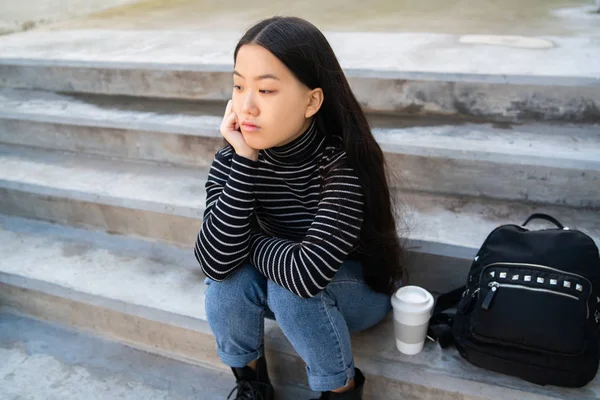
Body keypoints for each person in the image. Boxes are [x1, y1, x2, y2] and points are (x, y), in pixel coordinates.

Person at [194, 16, 405, 400]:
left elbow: (306, 275)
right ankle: (252, 384)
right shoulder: (234, 158)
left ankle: (340, 390)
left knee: (290, 290)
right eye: (239, 86)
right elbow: (213, 262)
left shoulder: (338, 165)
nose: (247, 106)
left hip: (353, 293)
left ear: (312, 100)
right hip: (280, 280)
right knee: (226, 282)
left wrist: (247, 243)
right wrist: (244, 160)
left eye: (267, 90)